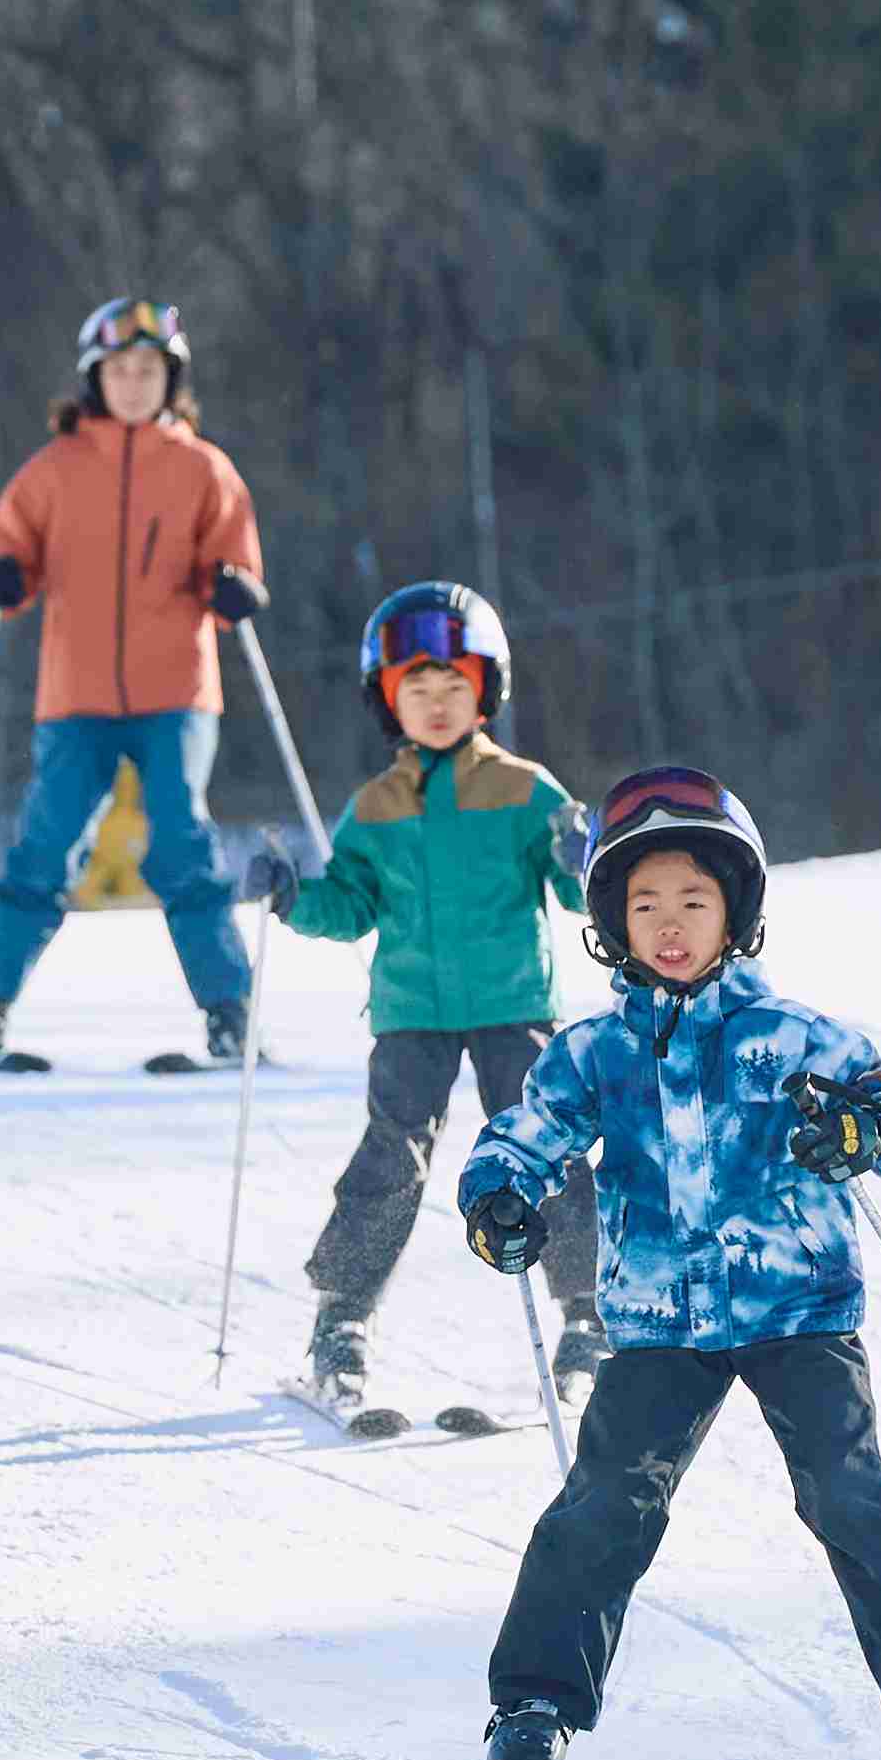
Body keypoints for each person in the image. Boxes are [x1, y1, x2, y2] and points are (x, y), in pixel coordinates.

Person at [452, 766, 881, 1760]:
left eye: (693, 902)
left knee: (847, 1491)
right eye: (645, 904)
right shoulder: (596, 1050)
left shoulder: (795, 1035)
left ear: (736, 913)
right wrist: (500, 1199)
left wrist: (867, 1128)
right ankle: (532, 1705)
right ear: (610, 920)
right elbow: (518, 1139)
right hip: (659, 1322)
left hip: (799, 1308)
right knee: (605, 1501)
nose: (669, 925)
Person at [264, 580, 608, 1407]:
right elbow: (348, 906)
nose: (437, 703)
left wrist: (580, 856)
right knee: (391, 1156)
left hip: (513, 1004)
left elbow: (577, 891)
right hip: (411, 1011)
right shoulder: (371, 808)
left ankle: (588, 1316)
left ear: (486, 689)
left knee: (545, 1148)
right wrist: (292, 896)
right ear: (387, 699)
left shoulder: (528, 792)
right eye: (416, 689)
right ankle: (341, 1317)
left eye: (455, 684)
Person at [0, 295, 274, 1068]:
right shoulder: (55, 469)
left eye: (149, 370)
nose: (134, 384)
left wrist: (235, 586)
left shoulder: (201, 467)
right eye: (119, 370)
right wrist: (3, 575)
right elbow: (12, 546)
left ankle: (229, 1014)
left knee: (182, 846)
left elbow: (235, 555)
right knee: (45, 846)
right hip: (76, 696)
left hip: (176, 691)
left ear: (172, 378)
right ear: (95, 379)